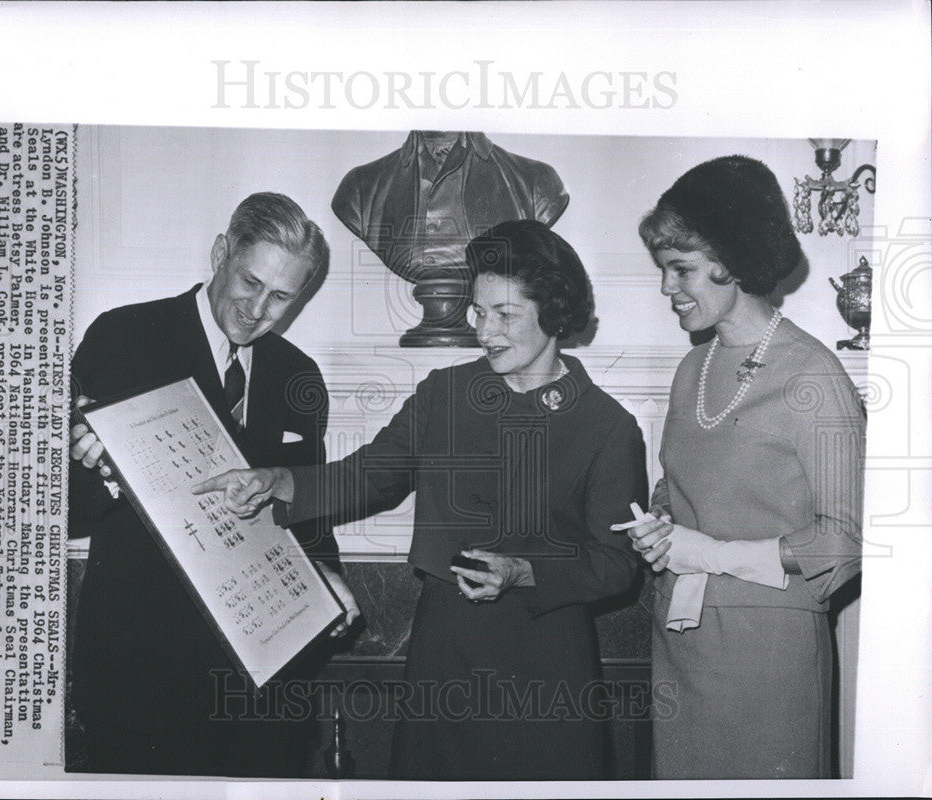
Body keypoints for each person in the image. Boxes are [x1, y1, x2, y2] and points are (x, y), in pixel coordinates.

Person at [194, 219, 648, 780]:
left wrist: (524, 571)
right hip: (445, 652)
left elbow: (617, 565)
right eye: (479, 312)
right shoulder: (445, 395)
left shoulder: (606, 425)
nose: (485, 331)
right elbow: (367, 477)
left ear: (553, 314)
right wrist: (277, 482)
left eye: (505, 315)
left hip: (547, 667)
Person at [68, 192, 359, 777]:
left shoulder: (298, 375)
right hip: (144, 673)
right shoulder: (126, 335)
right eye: (250, 282)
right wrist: (99, 473)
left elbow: (305, 510)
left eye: (282, 297)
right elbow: (59, 510)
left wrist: (326, 578)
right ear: (221, 253)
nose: (258, 310)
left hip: (265, 688)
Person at [619, 155, 865, 779]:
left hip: (768, 653)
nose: (668, 288)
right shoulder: (688, 372)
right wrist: (659, 526)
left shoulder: (814, 375)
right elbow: (674, 494)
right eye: (664, 269)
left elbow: (846, 543)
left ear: (732, 259)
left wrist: (712, 553)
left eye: (683, 269)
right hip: (679, 640)